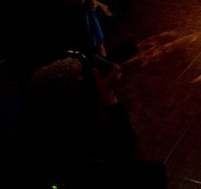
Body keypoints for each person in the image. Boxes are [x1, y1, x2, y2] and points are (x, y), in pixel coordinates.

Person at [18, 55, 167, 189]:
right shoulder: (81, 134)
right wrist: (108, 95)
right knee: (154, 174)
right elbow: (125, 144)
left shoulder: (39, 127)